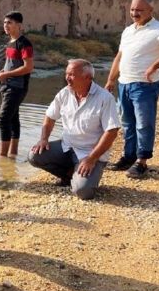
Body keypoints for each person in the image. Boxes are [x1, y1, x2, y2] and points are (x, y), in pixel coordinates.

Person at [105, 0, 159, 178]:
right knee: (127, 123)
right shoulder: (128, 31)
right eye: (132, 9)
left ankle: (141, 162)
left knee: (143, 124)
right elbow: (120, 56)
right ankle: (128, 157)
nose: (134, 13)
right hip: (124, 83)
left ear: (151, 11)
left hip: (145, 86)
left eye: (139, 10)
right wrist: (110, 79)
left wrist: (155, 66)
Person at [29, 59, 120, 200]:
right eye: (67, 74)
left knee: (83, 192)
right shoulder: (64, 93)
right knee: (34, 155)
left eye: (72, 75)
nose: (67, 78)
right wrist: (43, 139)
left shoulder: (105, 98)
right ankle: (69, 174)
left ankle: (84, 176)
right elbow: (50, 116)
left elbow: (111, 132)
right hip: (67, 147)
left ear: (88, 78)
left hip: (90, 153)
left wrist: (91, 159)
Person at [0, 11, 34, 157]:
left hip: (17, 87)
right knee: (13, 118)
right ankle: (13, 153)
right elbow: (11, 64)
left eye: (9, 23)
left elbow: (28, 67)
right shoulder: (10, 42)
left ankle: (3, 156)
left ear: (19, 25)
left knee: (3, 119)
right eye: (5, 23)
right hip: (7, 85)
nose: (6, 26)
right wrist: (2, 71)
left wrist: (7, 74)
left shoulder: (24, 43)